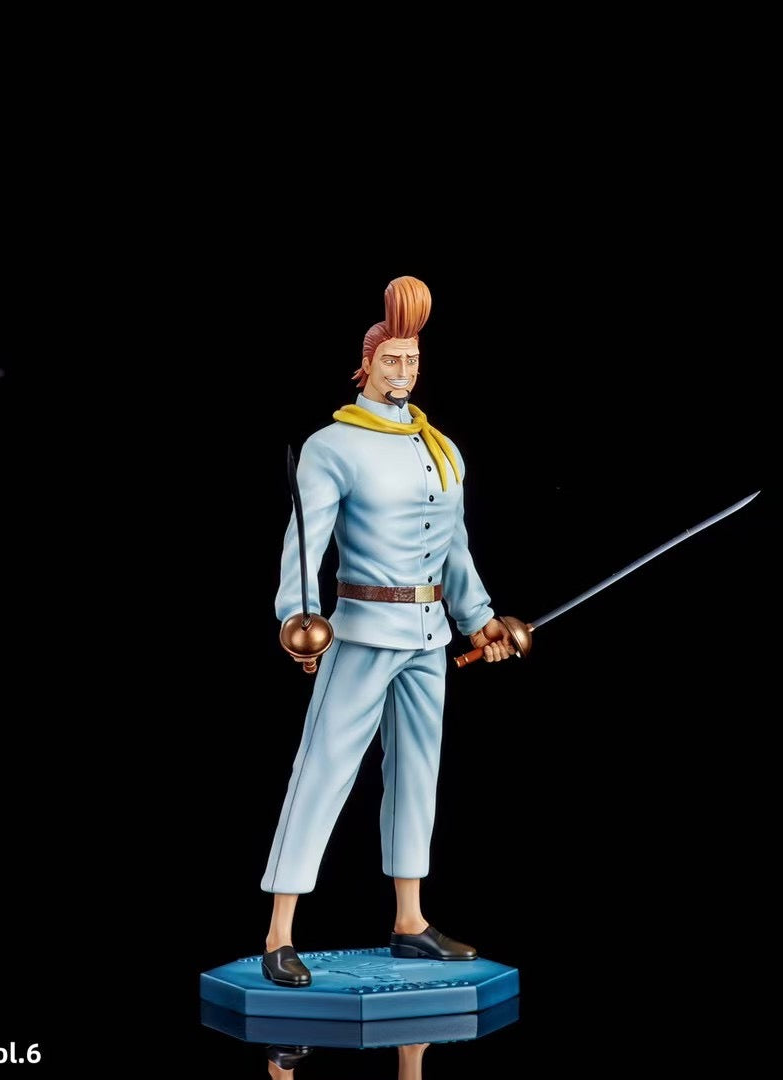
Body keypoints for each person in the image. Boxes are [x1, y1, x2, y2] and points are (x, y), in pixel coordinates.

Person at [260, 276, 516, 988]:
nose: (403, 371)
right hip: (362, 631)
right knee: (323, 770)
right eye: (392, 359)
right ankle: (279, 932)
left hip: (429, 636)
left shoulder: (442, 449)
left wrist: (480, 618)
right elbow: (305, 544)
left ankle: (410, 920)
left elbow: (455, 549)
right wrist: (296, 615)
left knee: (416, 775)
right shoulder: (333, 446)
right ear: (366, 364)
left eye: (413, 360)